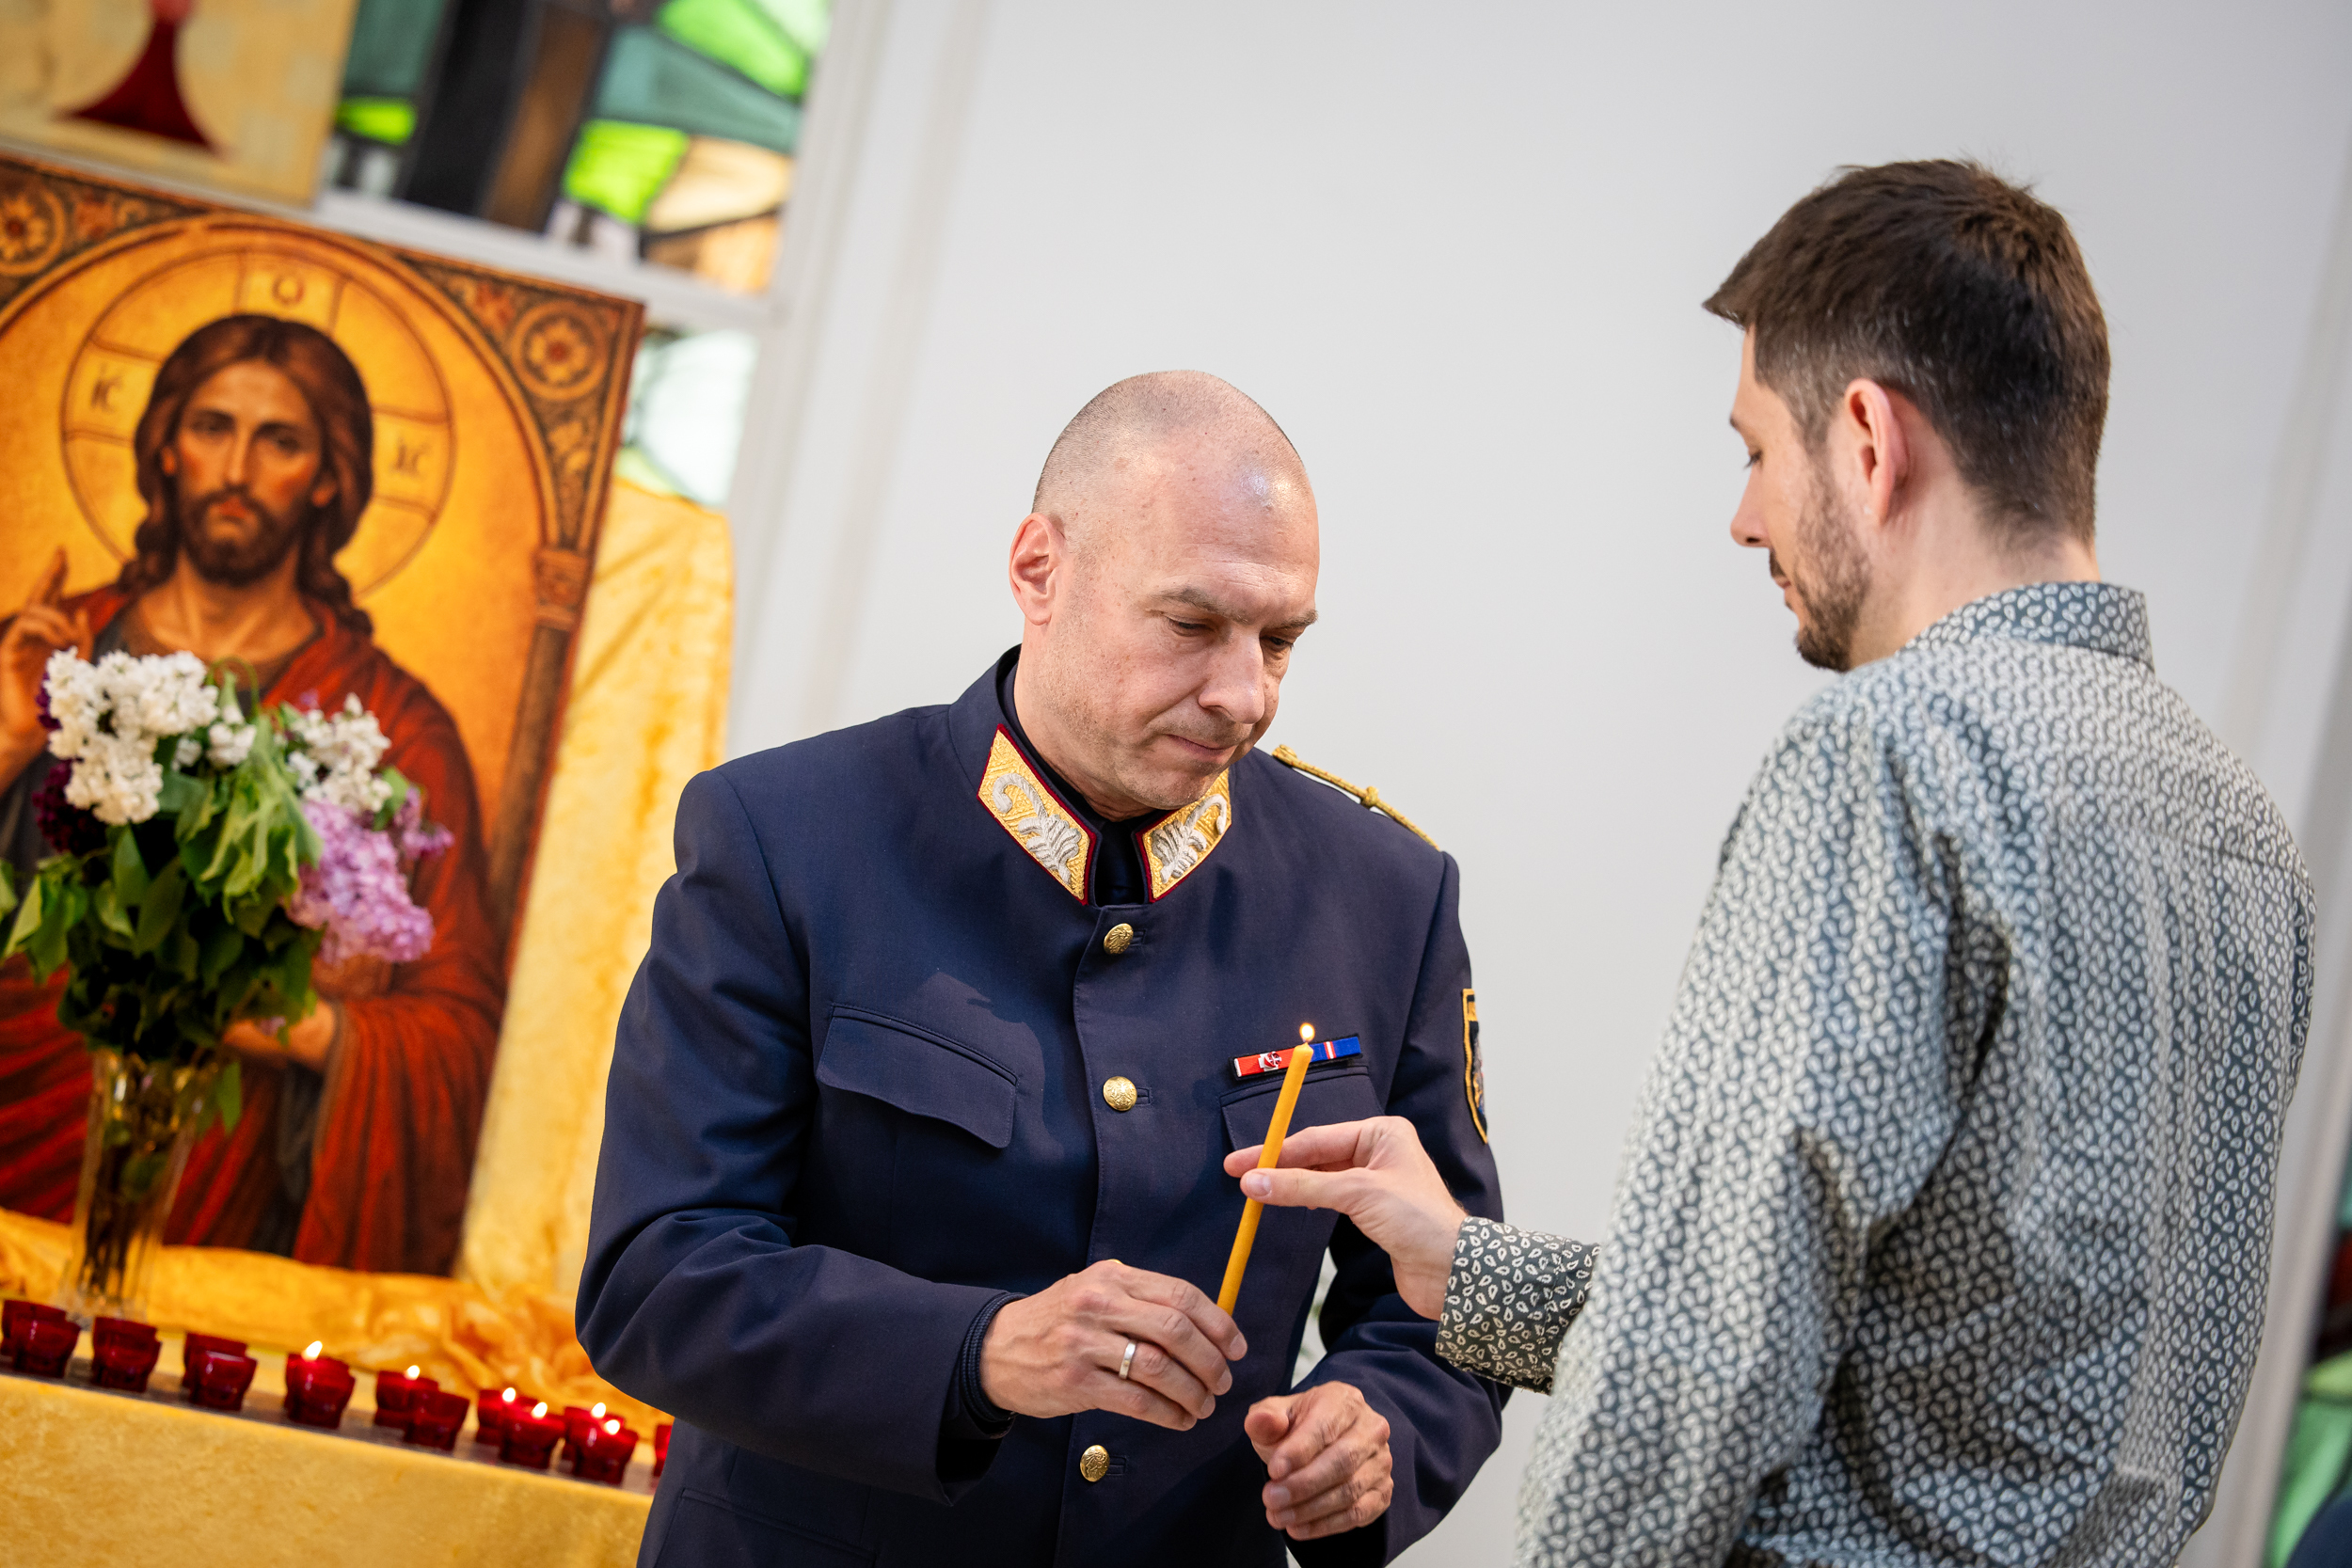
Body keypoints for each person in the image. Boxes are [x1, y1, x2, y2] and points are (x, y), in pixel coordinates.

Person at [1229, 160, 2315, 1564]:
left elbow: (1700, 1358)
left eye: (1755, 450)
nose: (1744, 516)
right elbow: (1934, 1361)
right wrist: (1472, 1272)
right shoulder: (2242, 836)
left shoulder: (1893, 756)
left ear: (1867, 437)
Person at [578, 372, 1505, 1566]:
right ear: (1038, 570)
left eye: (1279, 641)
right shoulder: (788, 835)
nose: (1245, 695)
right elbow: (659, 1275)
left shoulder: (1385, 897)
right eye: (1191, 625)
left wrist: (1375, 1431)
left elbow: (1448, 1295)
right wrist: (978, 1352)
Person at [0, 313, 501, 1274]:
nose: (235, 469)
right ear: (166, 448)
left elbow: (455, 1031)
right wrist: (11, 738)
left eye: (279, 441)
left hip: (220, 1223)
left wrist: (296, 1026)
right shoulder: (48, 655)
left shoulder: (393, 725)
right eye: (212, 427)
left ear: (327, 477)